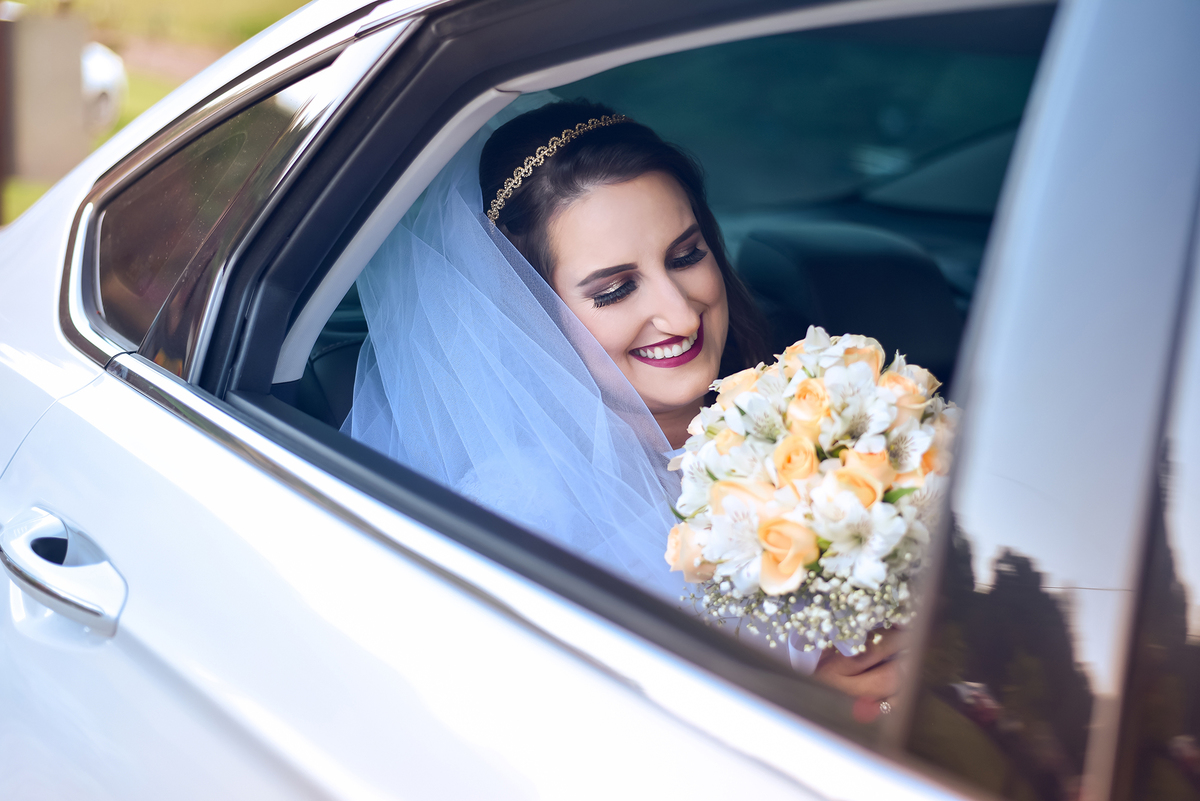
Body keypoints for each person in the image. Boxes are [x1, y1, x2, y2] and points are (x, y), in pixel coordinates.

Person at [344, 96, 902, 702]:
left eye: (686, 256)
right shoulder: (524, 512)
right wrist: (811, 706)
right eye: (614, 290)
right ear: (532, 316)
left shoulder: (817, 413)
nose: (679, 313)